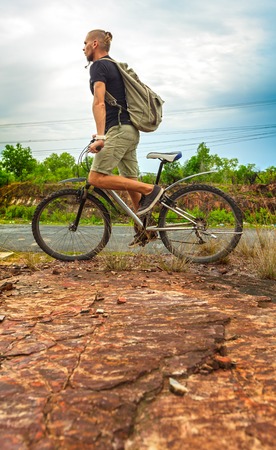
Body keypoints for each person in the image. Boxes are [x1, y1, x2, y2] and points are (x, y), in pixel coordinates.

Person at [83, 29, 163, 245]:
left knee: (95, 178)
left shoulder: (99, 66)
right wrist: (104, 132)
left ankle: (151, 190)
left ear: (95, 44)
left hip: (120, 130)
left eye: (85, 43)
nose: (83, 48)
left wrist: (102, 137)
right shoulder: (114, 66)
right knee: (129, 183)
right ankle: (145, 229)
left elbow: (99, 102)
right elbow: (113, 106)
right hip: (128, 131)